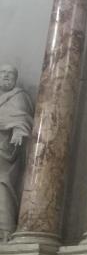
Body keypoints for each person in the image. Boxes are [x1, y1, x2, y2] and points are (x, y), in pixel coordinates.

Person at [0, 65, 33, 240]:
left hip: (5, 148)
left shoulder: (19, 96)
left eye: (10, 74)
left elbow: (23, 118)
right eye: (3, 73)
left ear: (15, 78)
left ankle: (4, 228)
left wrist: (19, 131)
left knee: (2, 184)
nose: (6, 76)